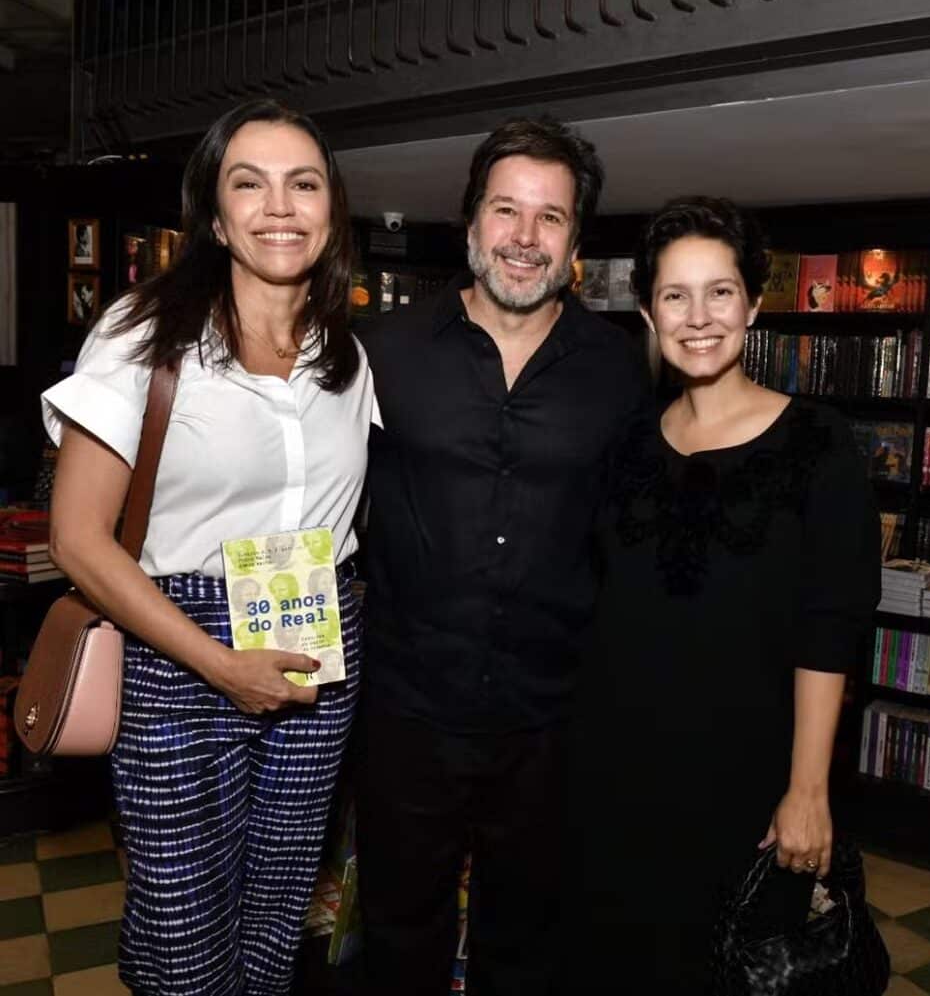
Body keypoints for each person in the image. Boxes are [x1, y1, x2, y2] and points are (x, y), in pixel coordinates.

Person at [41, 98, 377, 996]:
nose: (279, 205)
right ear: (215, 213)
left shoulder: (342, 352)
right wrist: (219, 662)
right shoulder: (141, 334)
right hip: (174, 645)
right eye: (250, 182)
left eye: (303, 183)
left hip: (318, 639)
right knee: (183, 926)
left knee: (274, 918)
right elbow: (75, 538)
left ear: (331, 208)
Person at [561, 197, 881, 994]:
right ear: (647, 311)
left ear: (754, 302)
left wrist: (808, 789)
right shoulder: (628, 442)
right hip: (617, 781)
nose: (698, 317)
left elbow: (829, 625)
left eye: (720, 291)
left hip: (747, 790)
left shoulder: (816, 442)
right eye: (675, 295)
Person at [357, 116, 646, 996]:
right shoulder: (383, 355)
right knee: (399, 937)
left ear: (576, 242)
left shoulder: (623, 369)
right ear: (470, 221)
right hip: (408, 711)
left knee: (528, 947)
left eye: (550, 218)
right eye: (506, 211)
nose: (525, 238)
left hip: (551, 724)